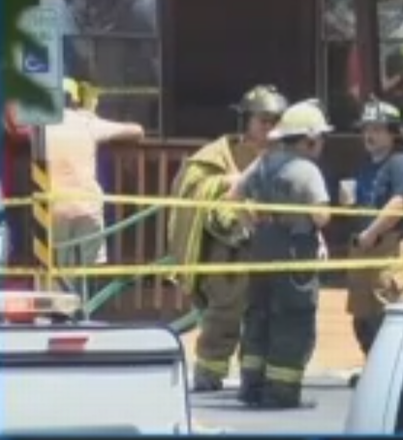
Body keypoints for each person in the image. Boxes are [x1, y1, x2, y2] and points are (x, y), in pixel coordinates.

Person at [167, 84, 288, 393]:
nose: (269, 128)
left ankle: (254, 374)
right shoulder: (218, 156)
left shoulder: (287, 157)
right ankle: (209, 371)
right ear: (246, 121)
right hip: (229, 251)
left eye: (276, 121)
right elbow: (192, 188)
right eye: (263, 120)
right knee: (225, 312)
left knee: (266, 315)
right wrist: (226, 182)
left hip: (272, 247)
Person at [231, 99, 334, 409]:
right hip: (294, 248)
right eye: (320, 139)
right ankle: (282, 392)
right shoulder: (307, 171)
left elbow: (234, 195)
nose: (322, 145)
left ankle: (252, 386)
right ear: (309, 139)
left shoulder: (263, 162)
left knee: (259, 315)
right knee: (293, 318)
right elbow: (322, 217)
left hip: (262, 245)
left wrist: (253, 223)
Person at [347, 98, 403, 365]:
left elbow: (401, 202)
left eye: (378, 129)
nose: (369, 134)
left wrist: (371, 232)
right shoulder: (367, 165)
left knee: (385, 310)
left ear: (393, 133)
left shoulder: (401, 162)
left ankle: (387, 368)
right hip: (362, 247)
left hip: (388, 245)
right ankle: (372, 366)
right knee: (362, 315)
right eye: (367, 128)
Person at [45, 77, 144, 270]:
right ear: (75, 101)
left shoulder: (42, 126)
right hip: (87, 206)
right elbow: (137, 131)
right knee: (89, 269)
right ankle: (86, 299)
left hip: (53, 207)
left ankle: (66, 297)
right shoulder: (87, 123)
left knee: (58, 270)